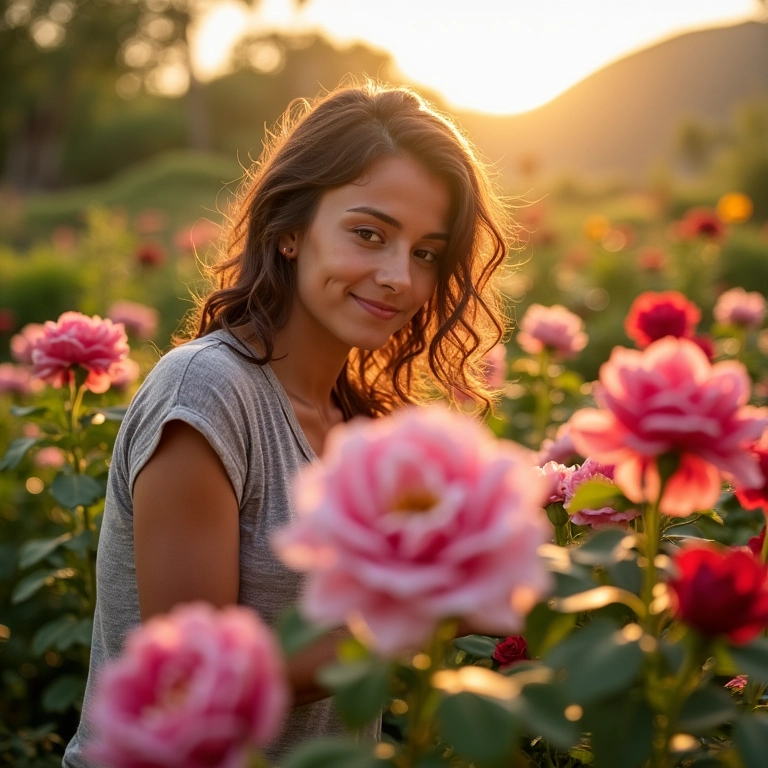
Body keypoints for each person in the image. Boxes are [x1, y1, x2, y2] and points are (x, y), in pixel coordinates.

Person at [63, 80, 511, 767]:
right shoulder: (207, 392)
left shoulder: (364, 426)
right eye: (369, 234)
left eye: (426, 252)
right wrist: (431, 612)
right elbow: (198, 682)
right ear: (291, 231)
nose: (399, 276)